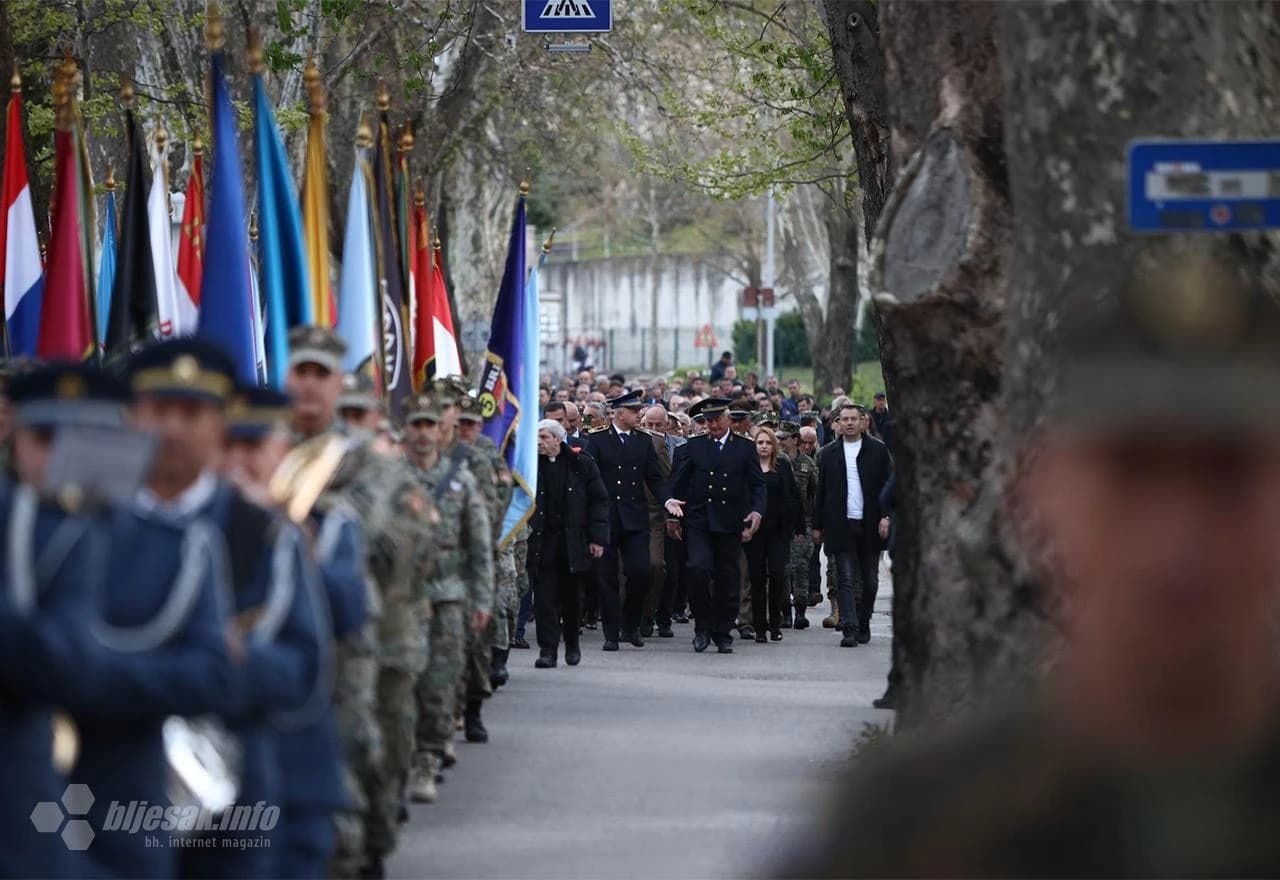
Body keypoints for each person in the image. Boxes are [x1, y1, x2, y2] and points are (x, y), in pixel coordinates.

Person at [796, 240, 1280, 877]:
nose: (1177, 533)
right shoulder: (922, 830)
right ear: (1047, 493)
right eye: (1131, 473)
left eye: (1228, 476)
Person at [1, 364, 129, 877]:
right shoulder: (18, 521)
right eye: (43, 438)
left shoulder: (152, 538)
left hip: (118, 788)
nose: (59, 457)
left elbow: (69, 659)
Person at [401, 391, 492, 805]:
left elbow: (479, 546)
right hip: (400, 599)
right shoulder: (392, 479)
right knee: (404, 682)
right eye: (415, 425)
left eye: (429, 425)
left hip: (448, 597)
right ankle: (402, 757)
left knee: (439, 681)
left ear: (441, 430)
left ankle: (428, 759)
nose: (423, 433)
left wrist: (481, 600)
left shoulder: (461, 480)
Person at [666, 398, 765, 654]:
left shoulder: (744, 447)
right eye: (707, 421)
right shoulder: (695, 446)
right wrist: (673, 516)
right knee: (697, 569)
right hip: (699, 518)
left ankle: (722, 631)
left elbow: (757, 485)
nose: (711, 425)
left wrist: (756, 511)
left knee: (727, 578)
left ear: (728, 419)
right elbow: (679, 482)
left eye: (716, 420)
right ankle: (702, 627)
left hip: (730, 520)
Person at [583, 389, 668, 651]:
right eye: (634, 411)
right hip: (605, 520)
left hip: (635, 518)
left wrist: (668, 500)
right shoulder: (597, 441)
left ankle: (630, 624)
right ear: (619, 414)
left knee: (640, 572)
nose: (638, 414)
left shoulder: (643, 441)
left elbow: (654, 477)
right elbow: (587, 479)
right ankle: (611, 632)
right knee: (607, 578)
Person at [528, 420, 609, 667]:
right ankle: (548, 651)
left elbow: (598, 502)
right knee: (543, 600)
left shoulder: (581, 464)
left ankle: (572, 643)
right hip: (542, 543)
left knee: (572, 599)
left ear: (557, 439)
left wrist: (597, 538)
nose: (539, 442)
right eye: (537, 438)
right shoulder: (530, 467)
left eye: (544, 437)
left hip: (573, 542)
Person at [813, 403, 892, 647]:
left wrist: (886, 516)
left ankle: (864, 619)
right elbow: (821, 492)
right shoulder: (828, 453)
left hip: (870, 523)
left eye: (853, 419)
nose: (849, 423)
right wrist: (817, 525)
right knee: (844, 578)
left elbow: (889, 487)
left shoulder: (878, 451)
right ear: (837, 423)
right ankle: (849, 626)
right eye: (844, 419)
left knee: (870, 579)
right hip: (840, 523)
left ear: (864, 422)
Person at [744, 427, 800, 642]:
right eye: (760, 443)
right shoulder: (748, 467)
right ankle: (759, 626)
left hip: (778, 532)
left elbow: (793, 496)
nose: (764, 446)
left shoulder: (783, 466)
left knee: (777, 575)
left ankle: (775, 623)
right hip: (754, 532)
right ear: (755, 446)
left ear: (774, 446)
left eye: (768, 443)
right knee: (757, 579)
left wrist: (798, 526)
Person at [778, 423, 818, 629]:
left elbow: (816, 493)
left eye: (783, 437)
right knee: (783, 569)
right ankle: (785, 611)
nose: (780, 441)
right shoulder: (776, 462)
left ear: (795, 440)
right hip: (780, 523)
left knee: (800, 566)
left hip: (803, 523)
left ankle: (800, 611)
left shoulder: (807, 464)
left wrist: (815, 523)